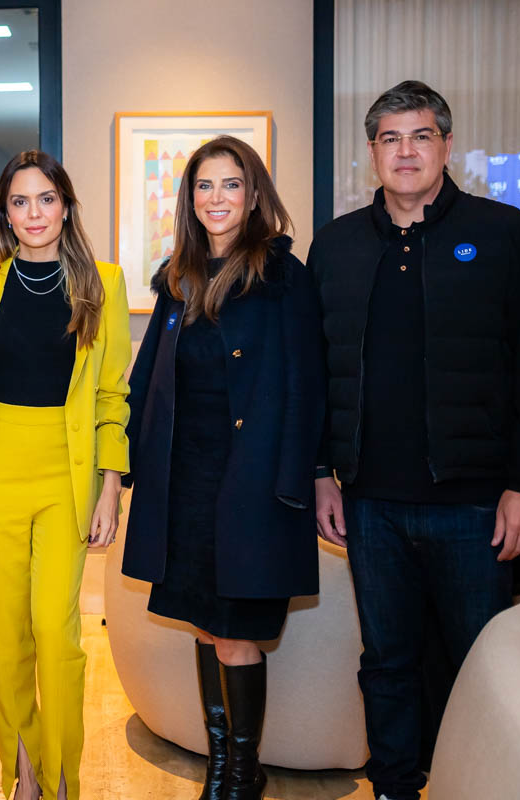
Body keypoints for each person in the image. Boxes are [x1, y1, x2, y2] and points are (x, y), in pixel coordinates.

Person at [308, 80, 520, 800]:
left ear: (447, 146)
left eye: (420, 136)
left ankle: (476, 785)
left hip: (473, 504)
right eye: (390, 139)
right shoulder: (336, 247)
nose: (406, 151)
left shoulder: (504, 233)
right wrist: (324, 472)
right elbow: (318, 372)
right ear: (372, 154)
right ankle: (394, 784)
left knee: (480, 661)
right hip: (371, 502)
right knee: (385, 660)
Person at [121, 136, 325, 800]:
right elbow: (149, 375)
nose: (217, 199)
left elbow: (309, 384)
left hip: (253, 483)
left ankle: (242, 773)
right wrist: (123, 466)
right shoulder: (177, 277)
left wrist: (302, 475)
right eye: (205, 187)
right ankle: (219, 764)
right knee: (207, 630)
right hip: (185, 483)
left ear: (254, 194)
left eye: (231, 185)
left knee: (238, 635)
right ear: (190, 199)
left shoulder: (283, 276)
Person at [0, 150, 130, 800]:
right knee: (4, 639)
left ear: (66, 205)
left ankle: (63, 779)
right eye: (20, 202)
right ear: (5, 213)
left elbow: (113, 396)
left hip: (67, 476)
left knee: (57, 633)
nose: (35, 213)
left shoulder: (103, 283)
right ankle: (23, 773)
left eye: (46, 199)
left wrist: (110, 486)